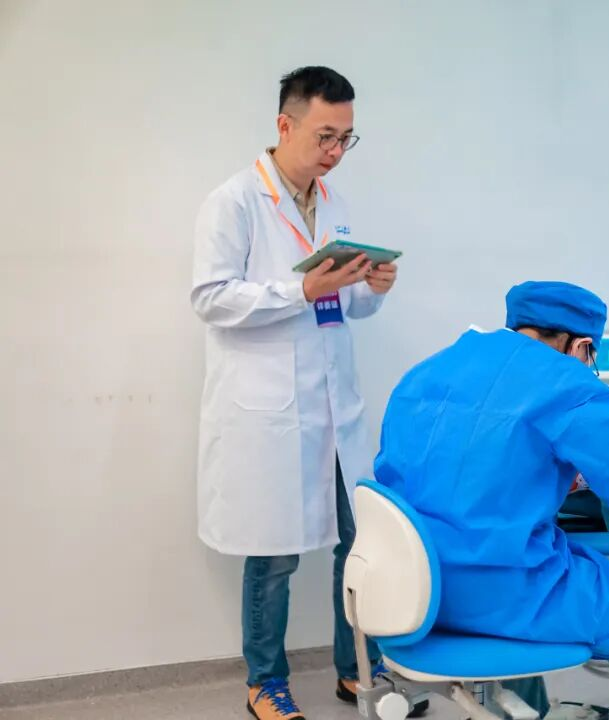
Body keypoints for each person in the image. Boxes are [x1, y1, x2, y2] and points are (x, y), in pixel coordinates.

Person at [375, 281, 609, 719]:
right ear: (581, 346)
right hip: (504, 595)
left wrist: (546, 474)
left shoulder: (428, 371)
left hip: (415, 589)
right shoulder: (570, 384)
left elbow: (447, 469)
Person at [190, 66, 412, 720]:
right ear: (285, 125)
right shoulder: (233, 202)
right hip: (268, 413)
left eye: (346, 138)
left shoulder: (333, 204)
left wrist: (372, 288)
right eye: (325, 136)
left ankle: (356, 670)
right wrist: (300, 290)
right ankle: (265, 681)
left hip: (335, 408)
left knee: (359, 542)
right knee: (274, 555)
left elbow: (342, 309)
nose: (335, 151)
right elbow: (210, 298)